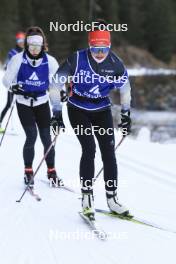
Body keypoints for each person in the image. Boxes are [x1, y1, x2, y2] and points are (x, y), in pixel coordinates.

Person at [53, 21, 132, 220]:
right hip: (78, 108)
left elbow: (125, 89)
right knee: (89, 149)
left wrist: (126, 114)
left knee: (108, 151)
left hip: (102, 109)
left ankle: (112, 198)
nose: (99, 53)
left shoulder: (115, 63)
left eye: (103, 49)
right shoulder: (77, 59)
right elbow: (55, 83)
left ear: (109, 47)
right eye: (95, 49)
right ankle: (87, 197)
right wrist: (56, 113)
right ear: (90, 46)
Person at [2, 26, 64, 187]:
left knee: (46, 139)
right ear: (27, 46)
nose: (35, 50)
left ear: (43, 46)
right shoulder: (17, 59)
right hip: (24, 103)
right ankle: (28, 171)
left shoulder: (50, 61)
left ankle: (52, 171)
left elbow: (57, 82)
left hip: (42, 103)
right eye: (32, 47)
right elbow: (6, 79)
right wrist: (12, 87)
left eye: (38, 47)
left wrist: (61, 92)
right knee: (31, 136)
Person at [0, 32, 25, 133]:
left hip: (23, 82)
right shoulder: (12, 52)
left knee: (25, 103)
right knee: (9, 104)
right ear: (17, 41)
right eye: (19, 41)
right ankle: (0, 123)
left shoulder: (26, 52)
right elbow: (6, 66)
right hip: (13, 83)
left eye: (23, 41)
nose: (21, 43)